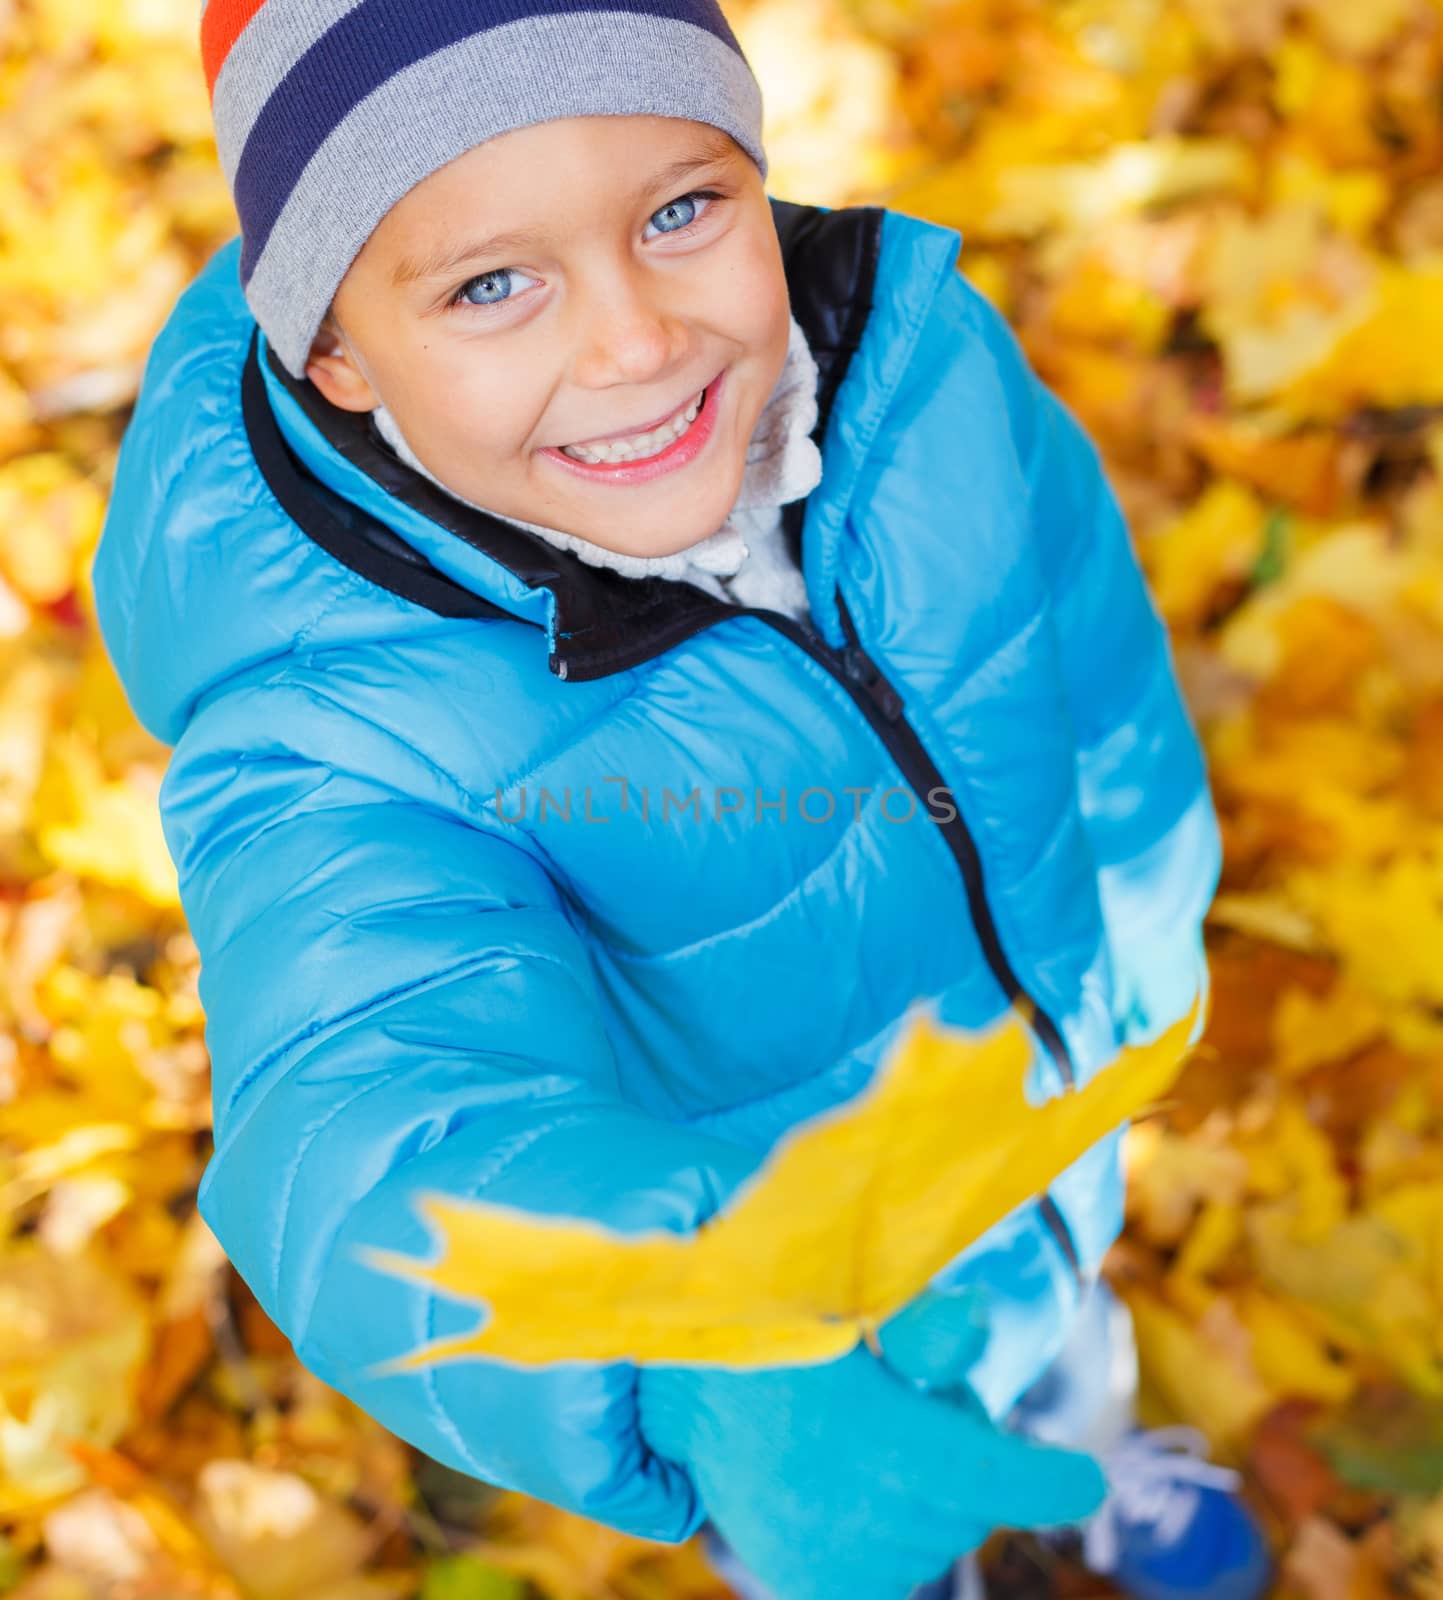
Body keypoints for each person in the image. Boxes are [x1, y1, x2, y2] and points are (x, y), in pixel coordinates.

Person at [91, 2, 1271, 1597]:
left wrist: (1142, 938)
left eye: (679, 211)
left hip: (1052, 1130)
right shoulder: (338, 739)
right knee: (879, 1543)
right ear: (337, 352)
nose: (635, 342)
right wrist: (698, 1358)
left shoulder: (918, 376)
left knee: (1064, 1336)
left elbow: (1085, 663)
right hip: (795, 1342)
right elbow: (369, 1120)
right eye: (491, 284)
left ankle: (1089, 1457)